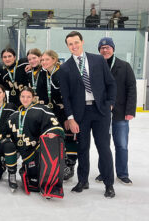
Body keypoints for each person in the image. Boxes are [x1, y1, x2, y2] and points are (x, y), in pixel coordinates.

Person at [57, 31, 117, 198]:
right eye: (70, 44)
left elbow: (111, 84)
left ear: (82, 42)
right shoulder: (65, 68)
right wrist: (70, 118)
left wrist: (110, 103)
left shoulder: (98, 60)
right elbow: (66, 97)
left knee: (104, 148)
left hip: (100, 111)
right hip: (80, 114)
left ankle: (109, 184)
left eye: (76, 42)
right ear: (67, 46)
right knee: (82, 148)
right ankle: (83, 181)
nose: (74, 46)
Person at [6, 87, 64, 196]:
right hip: (24, 152)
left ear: (33, 98)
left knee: (36, 183)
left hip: (38, 150)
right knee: (33, 182)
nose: (25, 99)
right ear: (19, 97)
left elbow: (53, 124)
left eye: (28, 97)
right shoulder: (13, 116)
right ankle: (18, 171)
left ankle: (48, 180)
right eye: (23, 96)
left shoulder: (41, 109)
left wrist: (52, 132)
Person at [96, 37, 137, 185]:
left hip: (120, 113)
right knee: (103, 145)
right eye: (102, 48)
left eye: (107, 47)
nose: (105, 50)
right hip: (101, 114)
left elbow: (132, 88)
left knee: (121, 145)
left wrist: (130, 110)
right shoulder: (96, 66)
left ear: (113, 49)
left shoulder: (124, 66)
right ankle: (104, 172)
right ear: (99, 50)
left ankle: (122, 173)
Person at [41, 49, 78, 181]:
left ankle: (70, 165)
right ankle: (60, 163)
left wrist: (69, 117)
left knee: (69, 137)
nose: (44, 62)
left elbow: (69, 97)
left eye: (46, 59)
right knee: (58, 137)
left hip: (66, 112)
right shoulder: (47, 74)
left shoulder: (60, 73)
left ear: (54, 60)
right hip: (56, 112)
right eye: (42, 60)